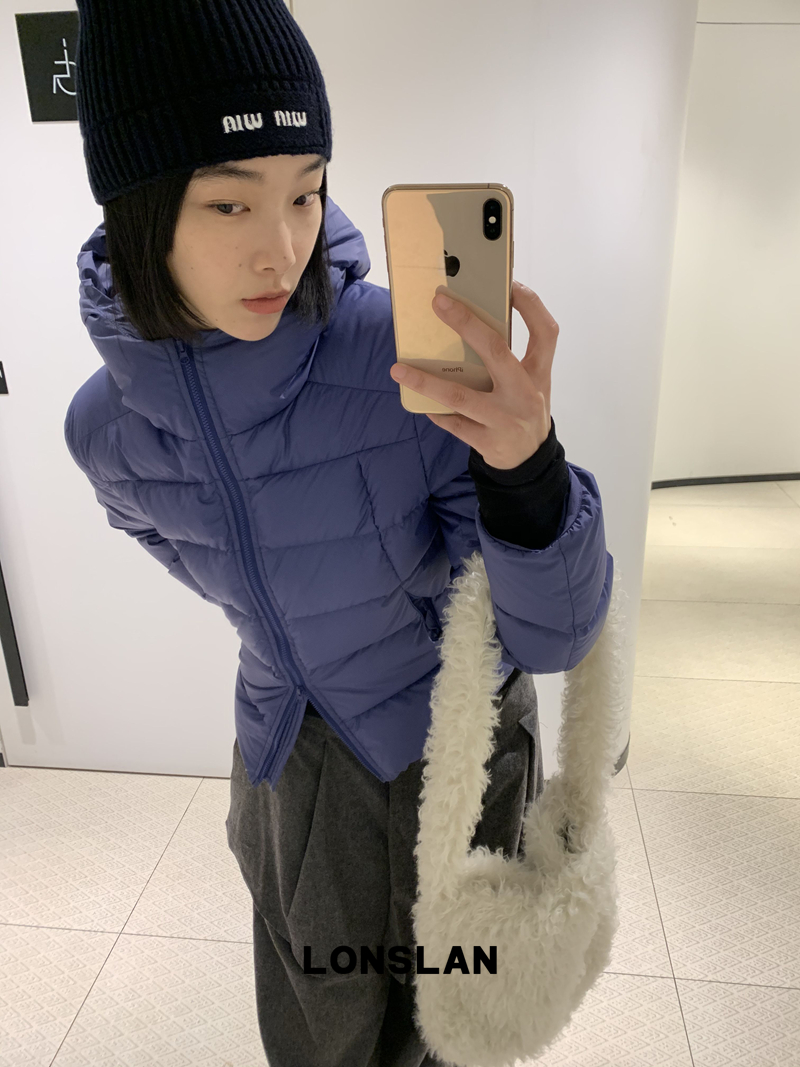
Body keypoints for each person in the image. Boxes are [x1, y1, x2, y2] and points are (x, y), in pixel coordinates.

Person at [66, 1, 613, 1064]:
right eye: (230, 202)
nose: (282, 247)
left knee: (465, 1026)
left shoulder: (401, 357)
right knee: (320, 1034)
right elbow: (181, 551)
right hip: (290, 765)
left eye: (307, 191)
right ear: (138, 207)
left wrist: (527, 471)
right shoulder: (105, 431)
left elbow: (554, 634)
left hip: (454, 753)